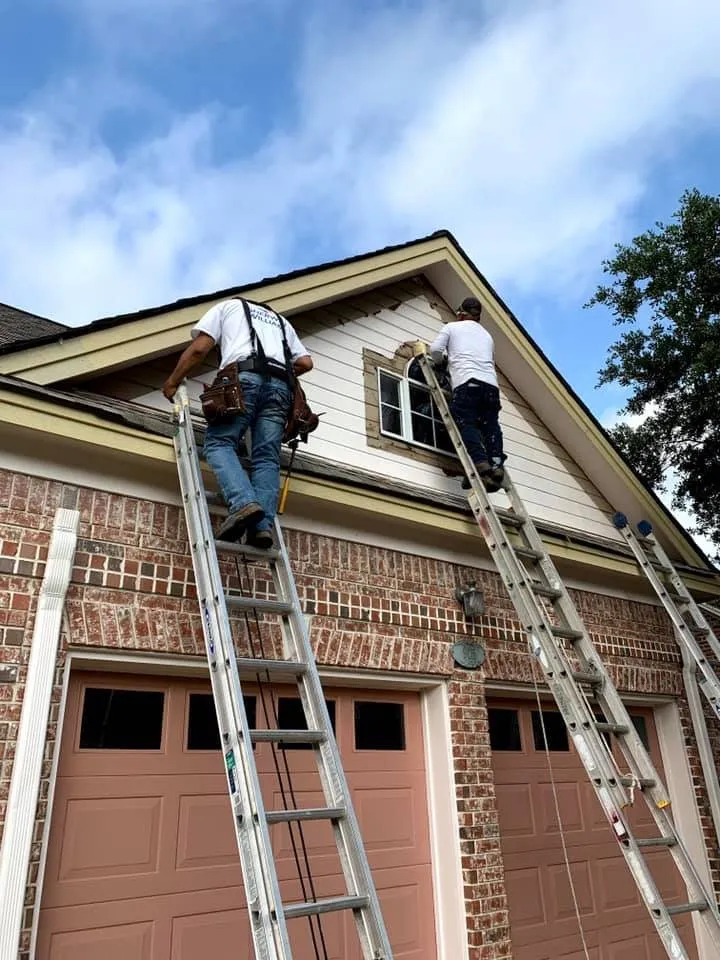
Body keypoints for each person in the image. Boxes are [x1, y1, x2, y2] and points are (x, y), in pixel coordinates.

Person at [162, 298, 313, 547]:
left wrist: (172, 381)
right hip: (281, 389)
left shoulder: (227, 307)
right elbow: (306, 363)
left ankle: (243, 503)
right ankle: (261, 528)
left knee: (219, 443)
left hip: (242, 380)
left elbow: (200, 348)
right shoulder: (282, 322)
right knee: (266, 457)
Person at [428, 296, 506, 492]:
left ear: (461, 313)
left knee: (466, 422)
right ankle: (496, 465)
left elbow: (435, 350)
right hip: (491, 387)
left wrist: (439, 363)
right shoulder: (487, 336)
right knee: (490, 426)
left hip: (467, 382)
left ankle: (480, 463)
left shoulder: (452, 327)